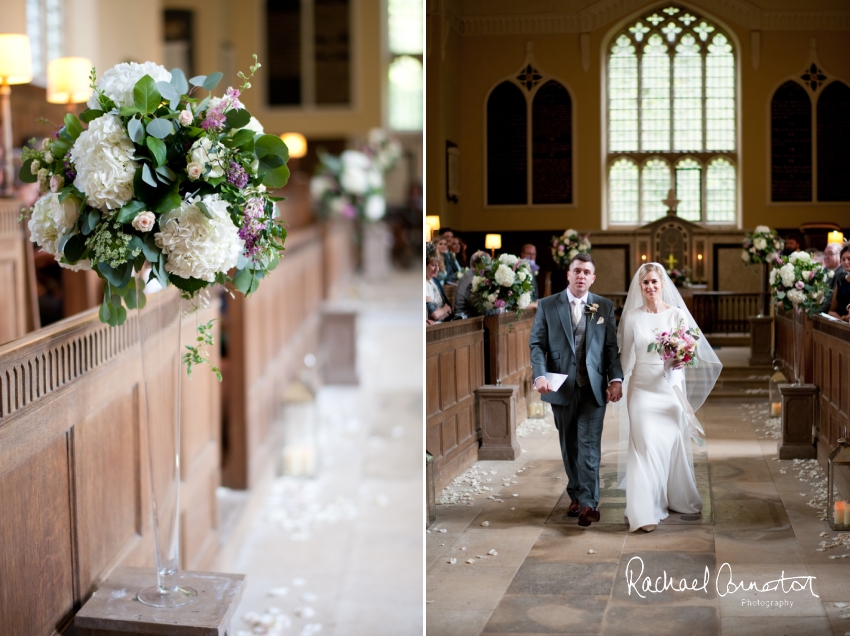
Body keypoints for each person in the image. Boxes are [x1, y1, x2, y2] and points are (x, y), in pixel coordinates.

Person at [616, 263, 722, 532]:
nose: (650, 287)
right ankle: (643, 511)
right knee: (644, 447)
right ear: (639, 287)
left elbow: (689, 353)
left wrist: (680, 359)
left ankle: (671, 496)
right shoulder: (632, 317)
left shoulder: (677, 315)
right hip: (640, 388)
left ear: (662, 283)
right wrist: (615, 381)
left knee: (667, 445)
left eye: (653, 281)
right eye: (645, 283)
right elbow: (626, 355)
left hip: (668, 389)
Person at [529, 253, 623, 527]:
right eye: (577, 271)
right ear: (568, 275)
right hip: (560, 387)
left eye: (586, 272)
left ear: (593, 278)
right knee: (570, 446)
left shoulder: (603, 306)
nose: (581, 276)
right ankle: (575, 494)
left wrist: (615, 379)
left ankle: (589, 503)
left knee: (589, 446)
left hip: (593, 388)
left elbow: (609, 349)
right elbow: (537, 345)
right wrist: (539, 377)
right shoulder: (548, 305)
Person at [454, 251, 486, 317]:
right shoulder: (472, 282)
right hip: (465, 322)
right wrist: (500, 309)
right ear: (482, 264)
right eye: (488, 263)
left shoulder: (468, 275)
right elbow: (480, 310)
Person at [426, 252, 453, 322]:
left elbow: (448, 311)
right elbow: (434, 315)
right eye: (433, 265)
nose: (437, 269)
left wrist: (443, 312)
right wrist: (445, 309)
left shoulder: (433, 281)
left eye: (438, 266)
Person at [819, 242, 844, 314]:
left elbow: (830, 300)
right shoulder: (829, 271)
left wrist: (814, 312)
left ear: (840, 256)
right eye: (825, 254)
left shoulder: (841, 273)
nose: (826, 257)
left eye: (830, 253)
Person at [827, 244, 850, 322]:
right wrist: (843, 319)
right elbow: (832, 311)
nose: (846, 262)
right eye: (843, 259)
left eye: (849, 259)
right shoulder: (841, 282)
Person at [520, 243, 540, 308]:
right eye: (529, 254)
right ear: (522, 254)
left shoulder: (534, 269)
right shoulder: (518, 269)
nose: (531, 257)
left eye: (533, 254)